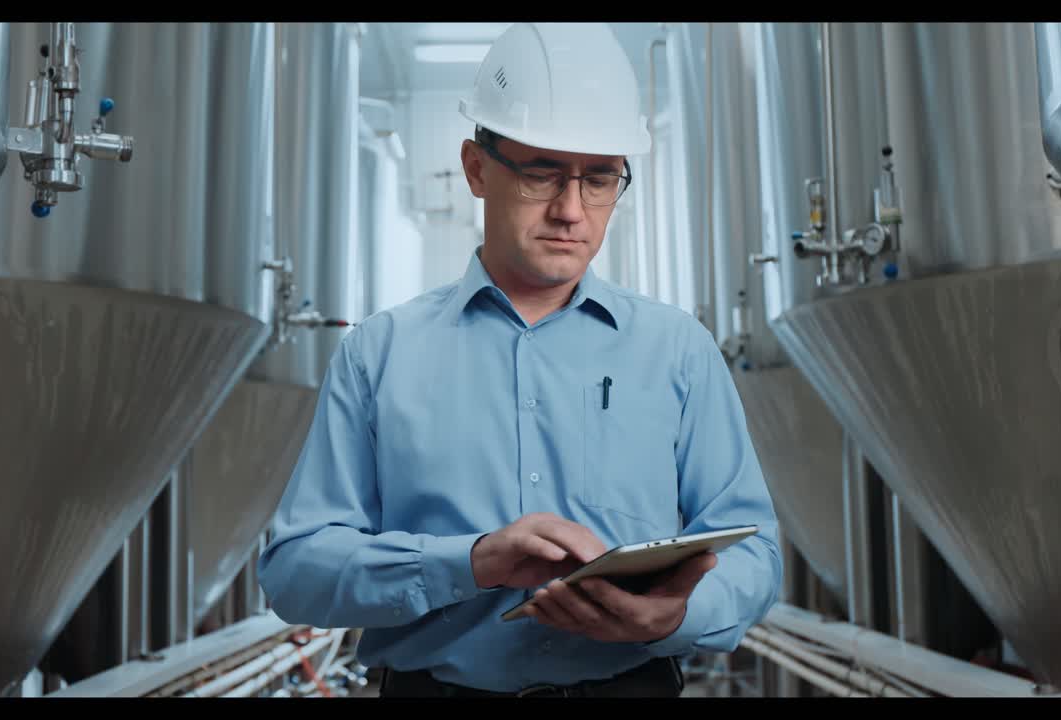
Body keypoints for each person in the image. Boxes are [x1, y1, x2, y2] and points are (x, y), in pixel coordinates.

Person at [257, 21, 782, 698]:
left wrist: (679, 614)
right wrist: (470, 563)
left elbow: (755, 553)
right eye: (542, 174)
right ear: (477, 169)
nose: (572, 210)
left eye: (599, 179)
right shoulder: (379, 354)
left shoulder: (677, 350)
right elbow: (296, 572)